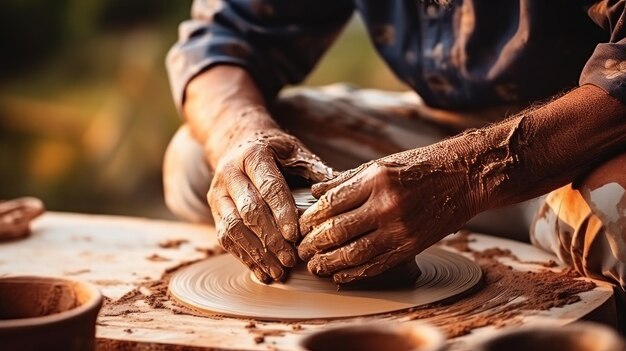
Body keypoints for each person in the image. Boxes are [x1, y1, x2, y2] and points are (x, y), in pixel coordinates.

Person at [163, 0, 626, 288]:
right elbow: (225, 37)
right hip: (445, 126)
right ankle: (483, 231)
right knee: (202, 162)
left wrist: (468, 176)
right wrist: (240, 133)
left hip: (589, 133)